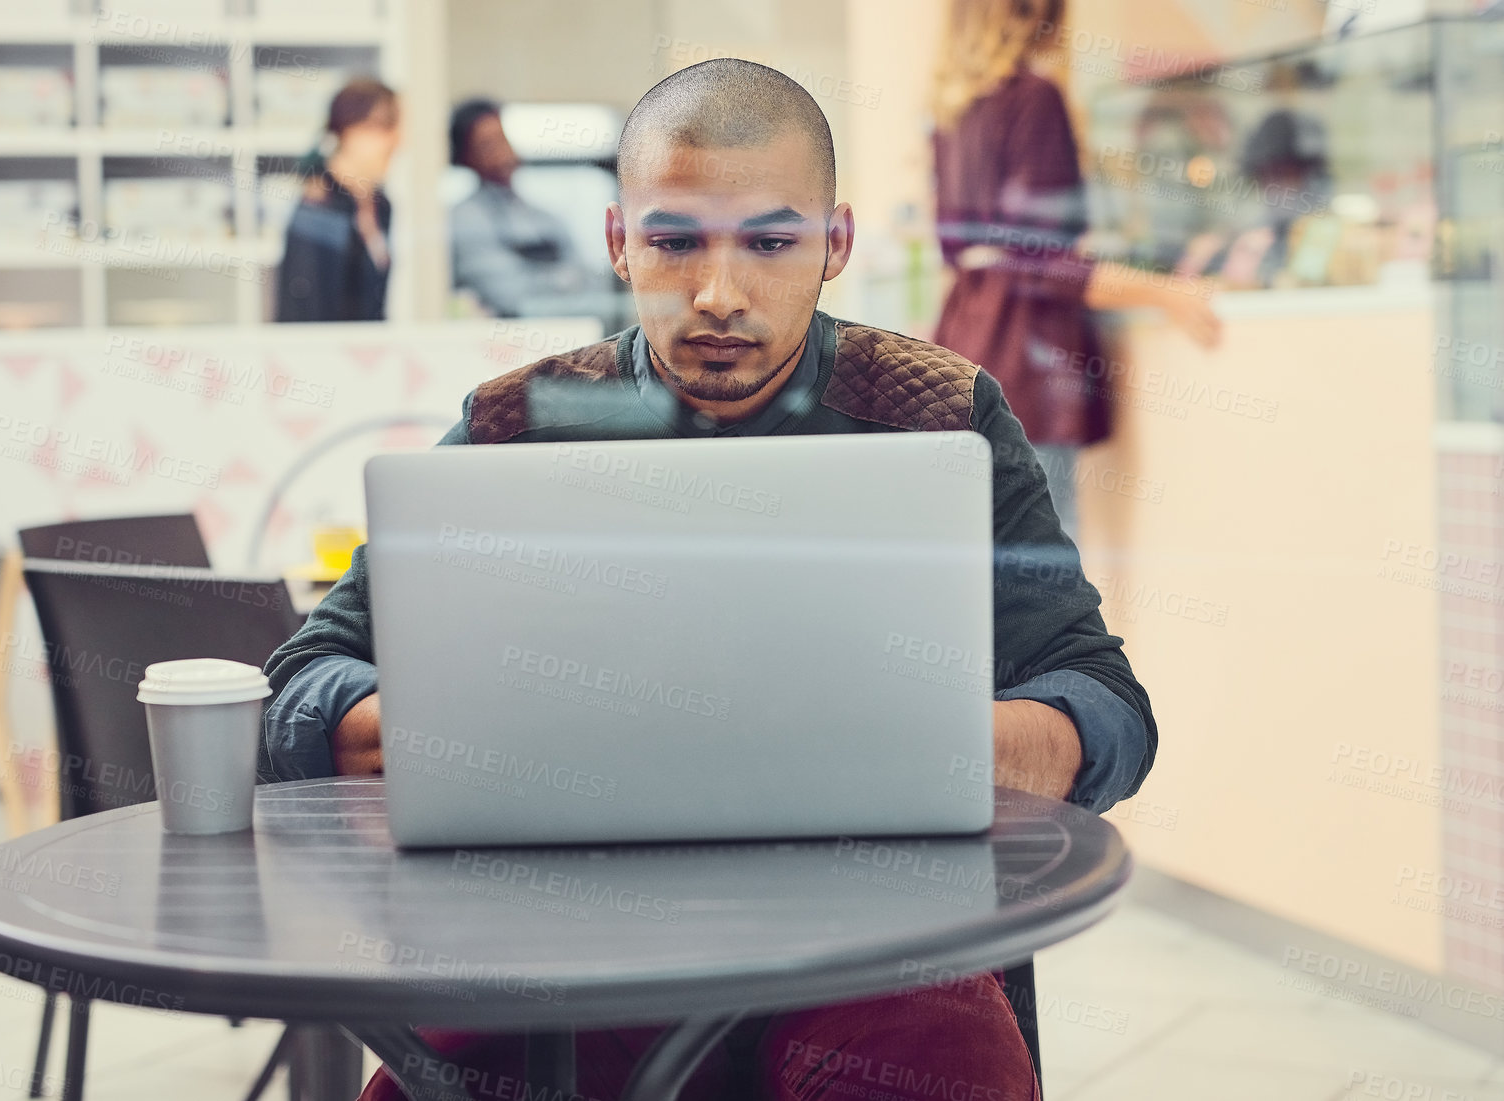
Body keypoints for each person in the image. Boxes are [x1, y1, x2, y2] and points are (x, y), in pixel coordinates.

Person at [262, 58, 1157, 1101]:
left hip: (877, 942)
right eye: (673, 241)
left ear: (835, 244)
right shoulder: (521, 422)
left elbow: (1109, 709)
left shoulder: (942, 413)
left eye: (771, 242)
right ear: (617, 242)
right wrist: (429, 727)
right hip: (567, 943)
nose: (717, 294)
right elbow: (301, 681)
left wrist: (950, 746)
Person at [930, 0, 1221, 539]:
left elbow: (956, 248)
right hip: (1027, 361)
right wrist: (1164, 292)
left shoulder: (953, 111)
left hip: (964, 347)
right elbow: (1041, 262)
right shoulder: (1034, 97)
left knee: (985, 561)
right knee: (1044, 572)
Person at [447, 98, 596, 317]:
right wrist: (563, 280)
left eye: (502, 138)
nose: (501, 153)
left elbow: (591, 285)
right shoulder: (463, 220)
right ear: (464, 157)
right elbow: (509, 296)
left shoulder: (544, 217)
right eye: (486, 145)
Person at [274, 78, 400, 322]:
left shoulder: (381, 205)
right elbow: (305, 313)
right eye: (385, 125)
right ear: (347, 129)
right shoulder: (319, 207)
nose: (396, 141)